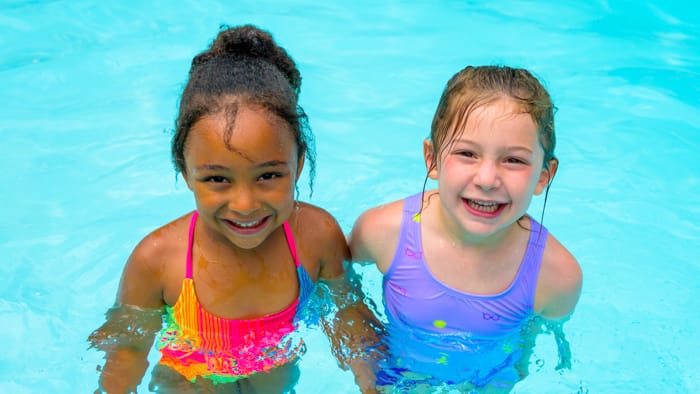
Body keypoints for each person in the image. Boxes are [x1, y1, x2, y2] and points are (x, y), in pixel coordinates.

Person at [89, 24, 353, 393]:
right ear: (184, 171)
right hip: (192, 374)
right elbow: (127, 350)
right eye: (217, 180)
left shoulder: (317, 237)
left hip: (273, 367)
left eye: (268, 175)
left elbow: (351, 322)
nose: (245, 204)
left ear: (299, 162)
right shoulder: (158, 261)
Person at [348, 65, 583, 391]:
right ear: (432, 159)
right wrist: (366, 363)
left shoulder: (556, 276)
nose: (487, 180)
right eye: (467, 153)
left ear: (543, 175)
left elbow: (530, 348)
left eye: (514, 160)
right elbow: (340, 289)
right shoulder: (381, 232)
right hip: (395, 378)